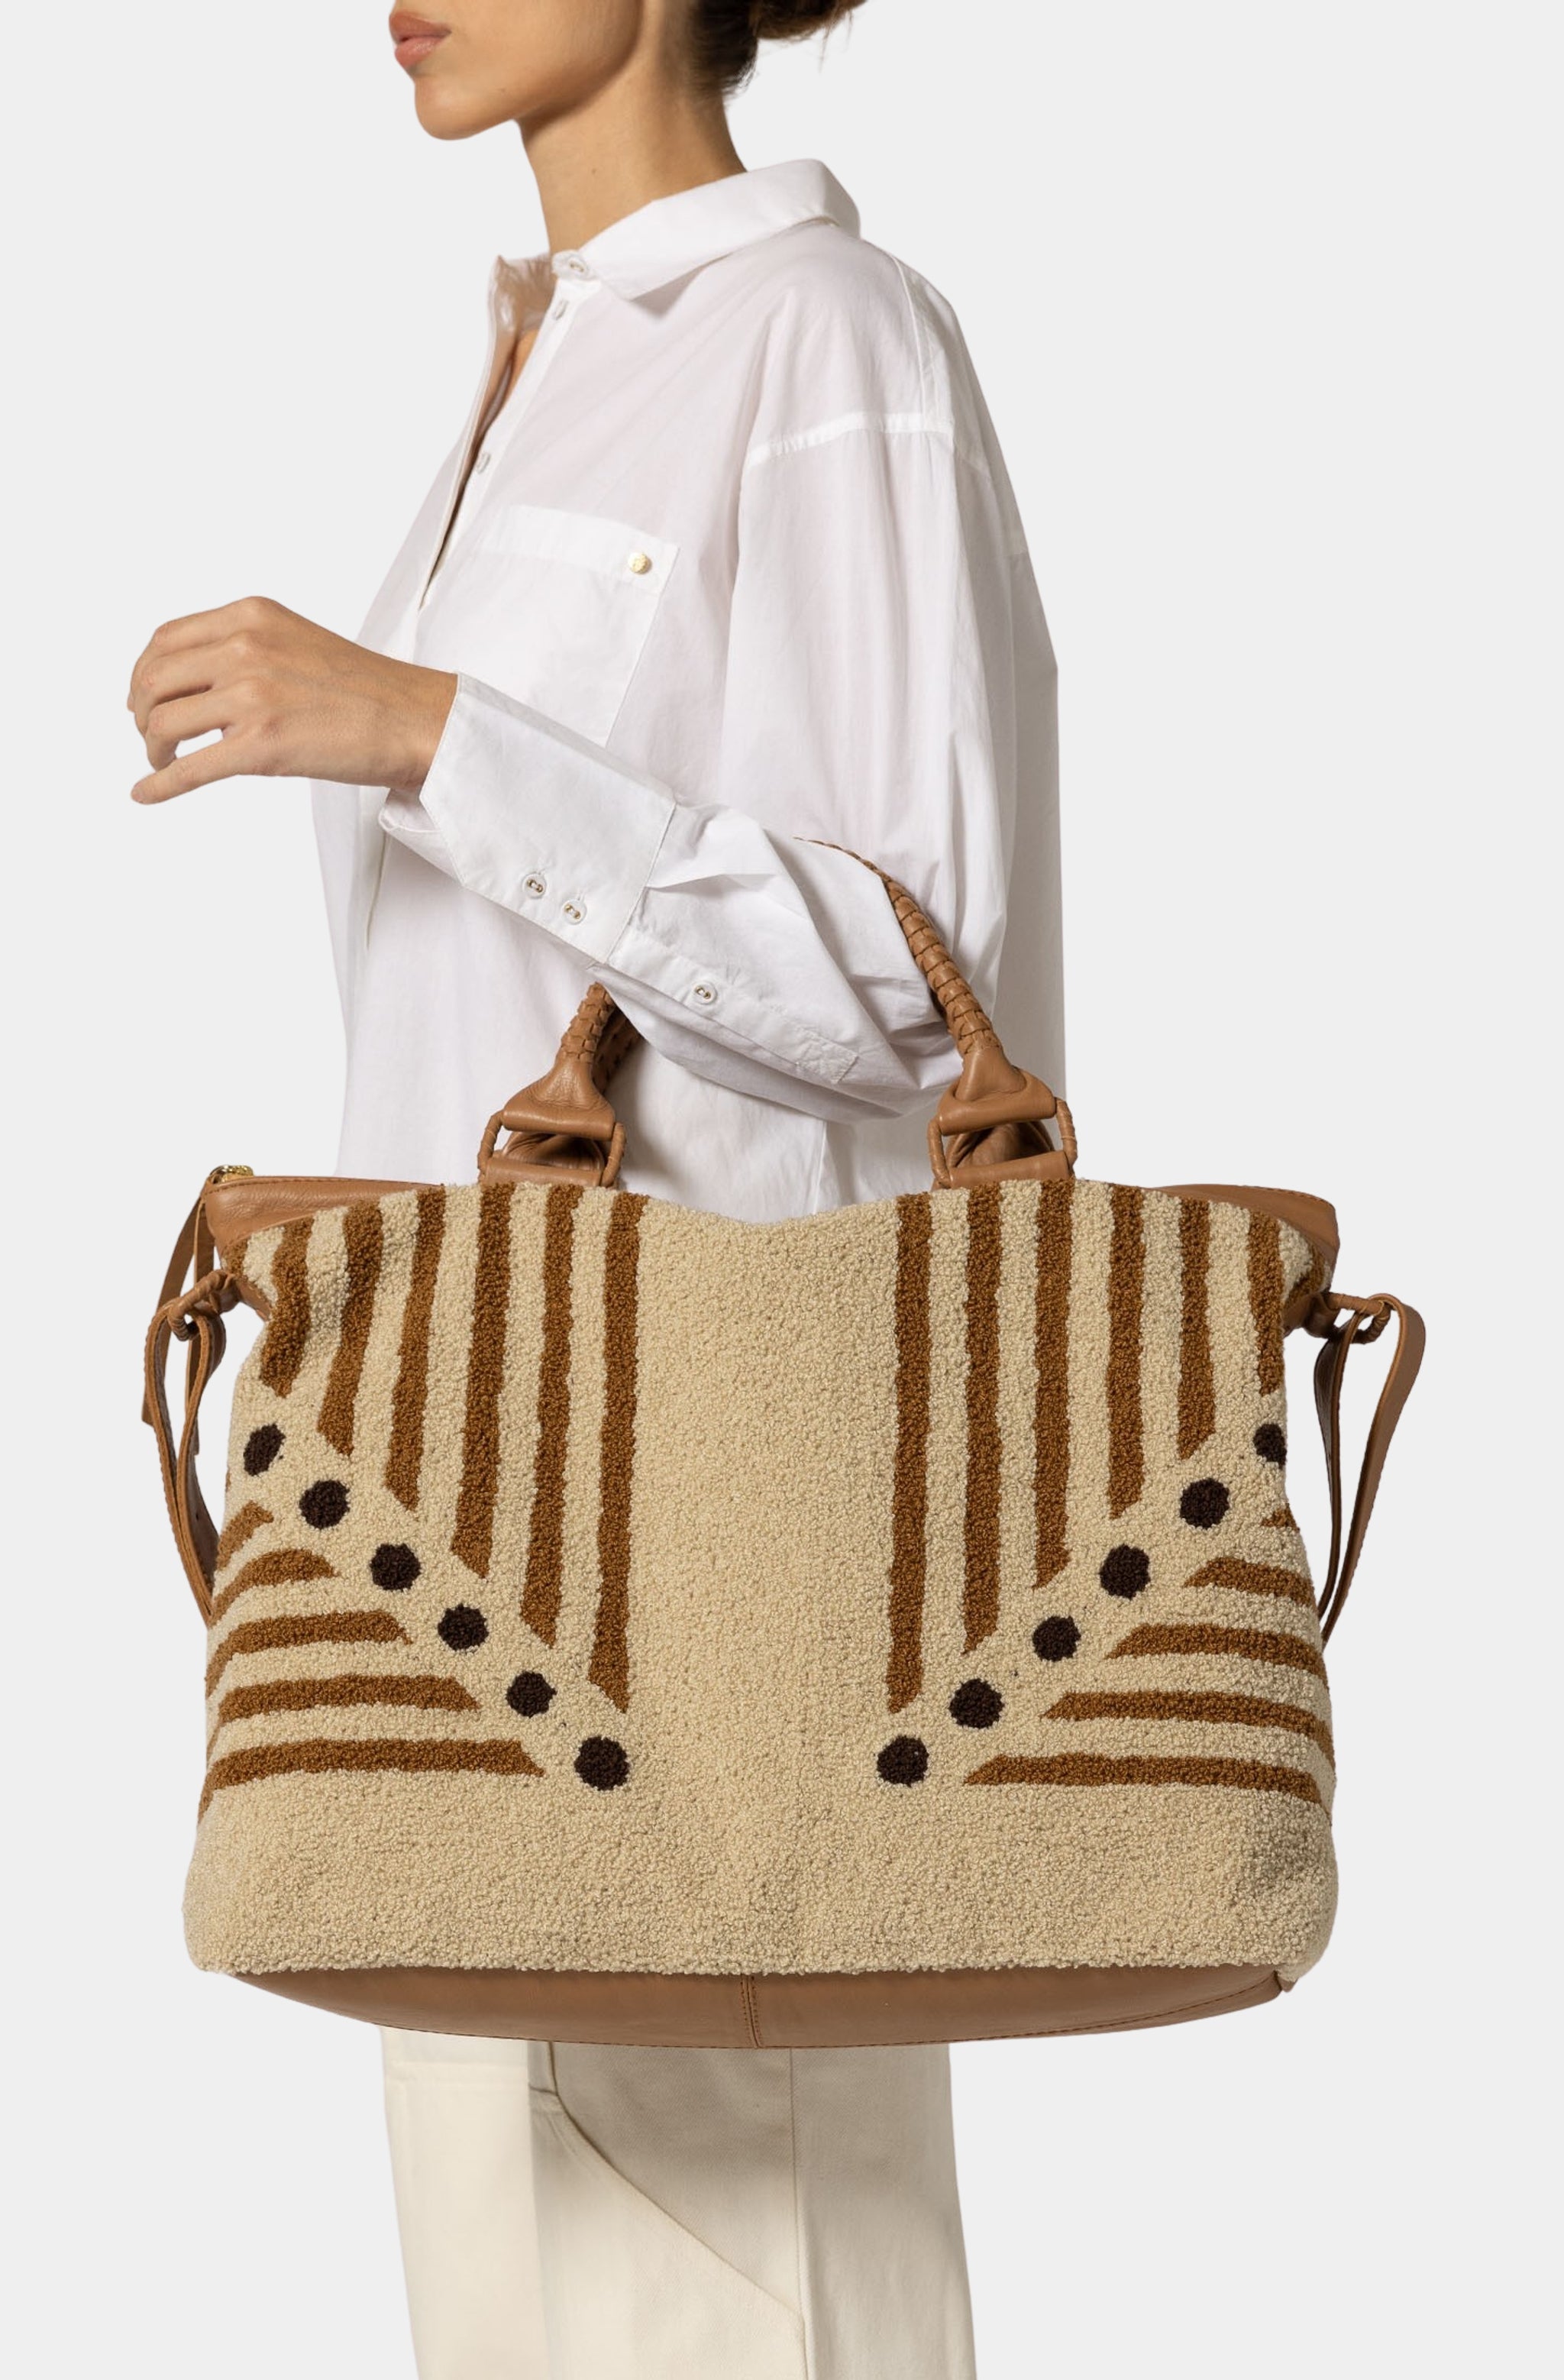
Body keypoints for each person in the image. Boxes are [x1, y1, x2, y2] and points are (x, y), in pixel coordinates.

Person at [128, 2, 1062, 2372]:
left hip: (722, 1524)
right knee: (516, 2254)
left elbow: (915, 978)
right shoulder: (530, 363)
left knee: (736, 2249)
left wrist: (430, 729)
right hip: (467, 1516)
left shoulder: (826, 334)